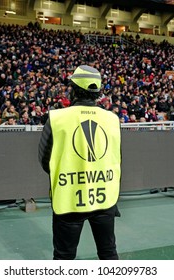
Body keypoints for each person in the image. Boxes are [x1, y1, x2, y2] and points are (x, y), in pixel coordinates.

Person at [38, 65, 121, 260]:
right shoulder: (112, 119)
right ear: (97, 92)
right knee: (108, 253)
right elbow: (116, 158)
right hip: (105, 197)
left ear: (73, 88)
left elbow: (45, 160)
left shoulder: (57, 118)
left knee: (64, 257)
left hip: (69, 199)